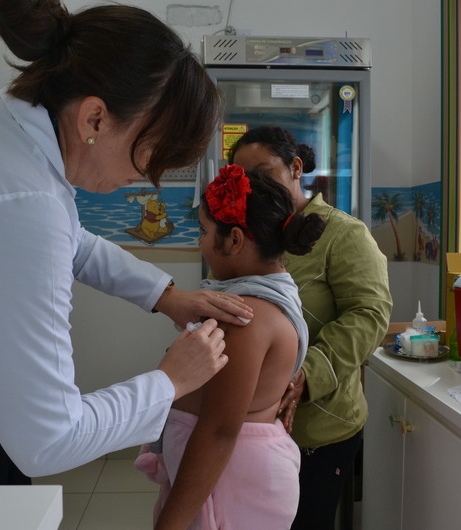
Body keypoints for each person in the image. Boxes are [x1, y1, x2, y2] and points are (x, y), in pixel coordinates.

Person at [0, 1, 256, 486]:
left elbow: (74, 241)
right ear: (95, 119)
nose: (141, 180)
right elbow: (51, 439)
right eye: (148, 156)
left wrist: (166, 296)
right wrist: (170, 381)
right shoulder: (19, 199)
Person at [135, 164, 326, 529]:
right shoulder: (258, 302)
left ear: (235, 240)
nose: (200, 242)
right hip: (227, 478)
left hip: (228, 483)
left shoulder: (245, 319)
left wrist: (169, 525)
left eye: (204, 232)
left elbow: (218, 431)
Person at [229, 127, 393, 529]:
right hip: (251, 427)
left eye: (264, 173)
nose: (255, 187)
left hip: (318, 426)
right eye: (244, 179)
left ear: (296, 168)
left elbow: (369, 314)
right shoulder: (251, 235)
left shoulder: (342, 234)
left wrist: (308, 375)